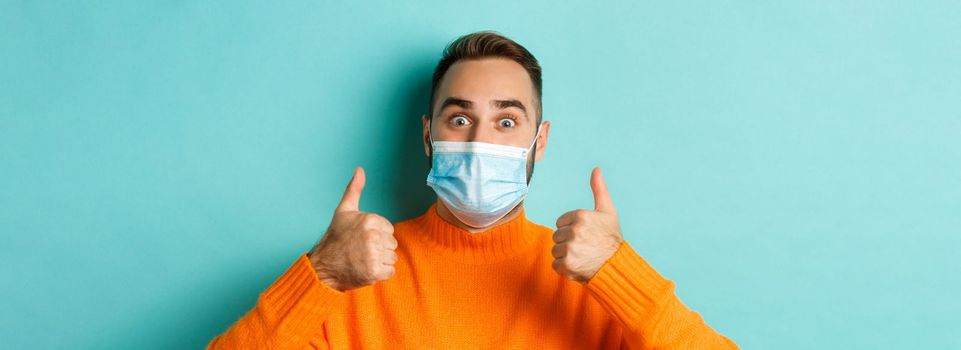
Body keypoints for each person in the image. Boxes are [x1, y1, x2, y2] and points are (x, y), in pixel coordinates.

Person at [208, 31, 738, 349]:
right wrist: (319, 275)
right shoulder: (355, 275)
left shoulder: (592, 283)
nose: (481, 139)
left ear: (540, 141)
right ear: (427, 134)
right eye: (460, 118)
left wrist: (622, 272)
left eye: (507, 122)